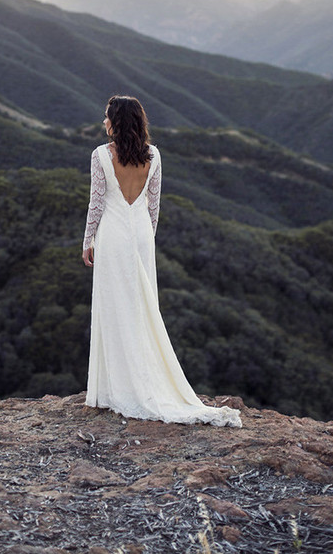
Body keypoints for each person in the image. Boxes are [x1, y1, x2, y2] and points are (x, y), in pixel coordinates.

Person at [82, 95, 242, 427]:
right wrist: (146, 240)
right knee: (142, 307)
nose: (103, 122)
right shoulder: (153, 156)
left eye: (106, 117)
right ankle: (143, 380)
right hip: (141, 233)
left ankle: (113, 388)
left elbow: (96, 203)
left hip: (112, 234)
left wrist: (88, 242)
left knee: (114, 306)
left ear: (116, 122)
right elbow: (153, 206)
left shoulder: (100, 155)